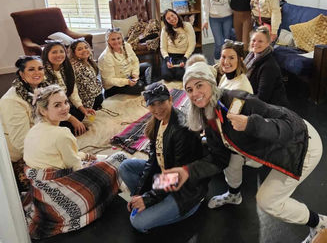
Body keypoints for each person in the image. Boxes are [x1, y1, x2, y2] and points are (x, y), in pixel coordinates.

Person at [164, 60, 326, 243]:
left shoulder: (238, 100)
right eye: (190, 89)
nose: (195, 93)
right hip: (273, 145)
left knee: (267, 201)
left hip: (301, 144)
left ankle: (319, 223)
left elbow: (290, 124)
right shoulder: (207, 114)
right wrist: (186, 172)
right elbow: (219, 158)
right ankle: (234, 195)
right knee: (231, 157)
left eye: (199, 85)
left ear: (211, 83)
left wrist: (251, 124)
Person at [23, 85, 121, 239]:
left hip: (39, 189)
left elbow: (68, 156)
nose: (64, 108)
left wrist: (87, 156)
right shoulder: (62, 133)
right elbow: (75, 166)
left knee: (95, 159)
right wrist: (92, 161)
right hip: (59, 193)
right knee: (118, 160)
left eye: (65, 102)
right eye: (57, 105)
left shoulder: (34, 129)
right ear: (43, 111)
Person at [118, 83, 206, 233]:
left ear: (170, 99)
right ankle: (155, 200)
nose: (157, 109)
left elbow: (177, 175)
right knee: (125, 167)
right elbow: (153, 160)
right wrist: (140, 193)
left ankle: (189, 206)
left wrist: (148, 198)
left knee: (138, 221)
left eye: (161, 102)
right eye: (152, 104)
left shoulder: (182, 129)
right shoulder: (158, 121)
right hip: (164, 175)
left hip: (185, 189)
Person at [0, 56, 48, 189]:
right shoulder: (12, 100)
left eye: (40, 68)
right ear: (22, 74)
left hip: (39, 142)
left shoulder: (42, 89)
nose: (37, 72)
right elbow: (20, 142)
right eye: (31, 69)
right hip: (17, 156)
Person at [42, 40, 91, 135]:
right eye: (54, 52)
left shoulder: (67, 68)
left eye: (61, 51)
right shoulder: (43, 73)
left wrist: (82, 108)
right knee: (68, 125)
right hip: (50, 109)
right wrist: (72, 120)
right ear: (46, 54)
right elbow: (49, 103)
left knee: (80, 114)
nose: (59, 55)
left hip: (62, 104)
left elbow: (73, 91)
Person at [98, 27, 152, 97]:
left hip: (128, 76)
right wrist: (127, 82)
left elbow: (135, 61)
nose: (116, 41)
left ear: (122, 38)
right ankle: (142, 84)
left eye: (118, 38)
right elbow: (109, 80)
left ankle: (142, 83)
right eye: (113, 39)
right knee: (140, 86)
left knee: (147, 66)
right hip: (114, 86)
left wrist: (135, 74)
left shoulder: (126, 46)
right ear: (108, 41)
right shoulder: (105, 57)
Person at [244, 26, 288, 106]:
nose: (255, 43)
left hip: (271, 107)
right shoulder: (250, 56)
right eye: (253, 40)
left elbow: (262, 98)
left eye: (260, 41)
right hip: (253, 97)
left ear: (268, 43)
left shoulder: (269, 67)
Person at [160, 9, 196, 81]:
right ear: (166, 21)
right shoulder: (164, 29)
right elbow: (163, 47)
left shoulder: (187, 25)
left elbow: (192, 44)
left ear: (176, 14)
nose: (172, 19)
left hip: (184, 55)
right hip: (170, 56)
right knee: (166, 76)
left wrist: (185, 59)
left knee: (180, 76)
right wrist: (167, 59)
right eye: (168, 18)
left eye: (172, 15)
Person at [69, 37, 103, 110]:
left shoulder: (89, 61)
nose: (84, 50)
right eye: (80, 49)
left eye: (86, 47)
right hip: (86, 102)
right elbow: (89, 90)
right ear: (74, 53)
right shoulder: (79, 67)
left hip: (94, 94)